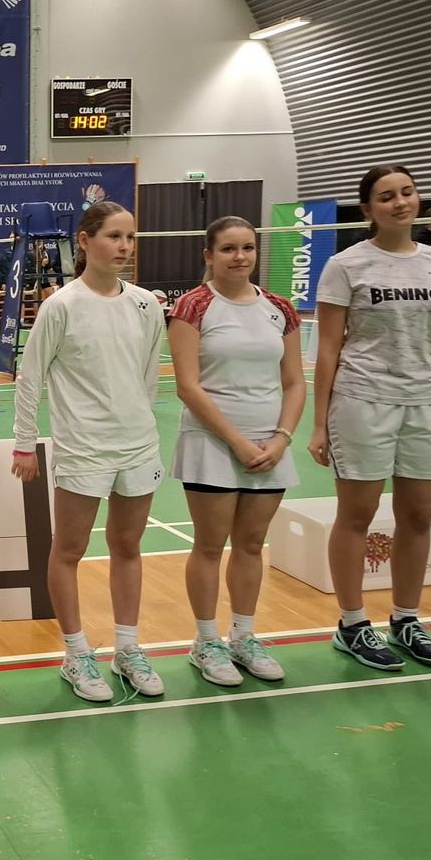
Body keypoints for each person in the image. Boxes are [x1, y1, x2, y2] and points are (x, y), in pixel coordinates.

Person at [12, 201, 168, 701]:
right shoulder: (61, 306)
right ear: (84, 240)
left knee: (128, 547)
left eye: (130, 238)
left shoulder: (146, 305)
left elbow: (148, 375)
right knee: (69, 550)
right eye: (113, 236)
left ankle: (127, 648)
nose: (123, 247)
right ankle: (76, 654)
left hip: (138, 447)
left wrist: (139, 424)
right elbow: (30, 377)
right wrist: (24, 443)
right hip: (83, 450)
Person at [309, 163, 431, 671]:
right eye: (387, 196)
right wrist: (319, 422)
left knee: (418, 516)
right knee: (357, 516)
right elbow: (328, 349)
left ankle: (406, 619)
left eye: (407, 192)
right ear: (369, 208)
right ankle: (352, 624)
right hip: (362, 400)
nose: (400, 203)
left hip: (424, 403)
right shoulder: (346, 265)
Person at [167, 217, 306, 686]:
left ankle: (243, 636)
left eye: (247, 247)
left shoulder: (280, 309)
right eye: (228, 249)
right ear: (209, 255)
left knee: (250, 544)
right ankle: (206, 642)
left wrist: (281, 438)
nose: (239, 256)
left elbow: (295, 382)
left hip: (270, 445)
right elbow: (188, 386)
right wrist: (238, 441)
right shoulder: (193, 306)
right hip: (211, 443)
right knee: (210, 546)